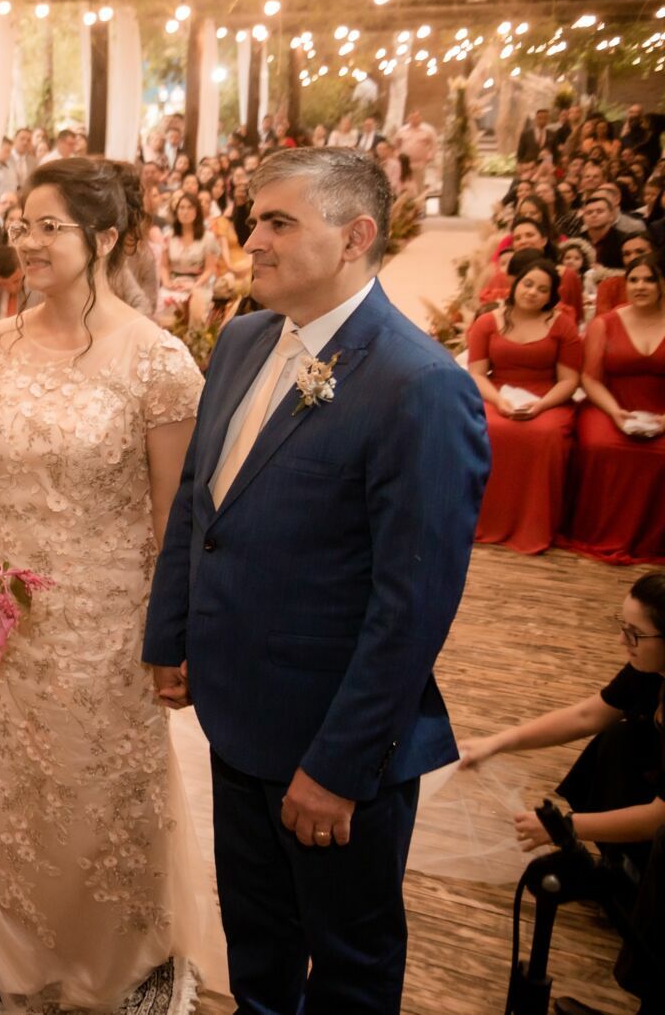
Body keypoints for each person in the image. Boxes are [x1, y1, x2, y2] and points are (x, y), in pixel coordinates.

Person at [143, 147, 489, 1014]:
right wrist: (172, 636)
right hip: (236, 716)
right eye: (255, 218)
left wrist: (338, 768)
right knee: (258, 948)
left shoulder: (421, 387)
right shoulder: (242, 339)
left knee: (348, 966)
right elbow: (199, 501)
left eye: (277, 222)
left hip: (332, 744)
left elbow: (412, 607)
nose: (248, 238)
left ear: (354, 237)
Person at [0, 157, 223, 1009]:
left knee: (99, 800)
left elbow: (178, 524)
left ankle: (119, 963)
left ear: (103, 238)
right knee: (7, 794)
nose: (27, 241)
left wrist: (177, 638)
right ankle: (15, 961)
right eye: (21, 224)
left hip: (105, 628)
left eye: (47, 226)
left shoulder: (158, 362)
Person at [458, 571, 665, 1015]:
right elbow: (588, 714)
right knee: (618, 738)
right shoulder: (649, 672)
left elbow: (659, 818)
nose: (622, 641)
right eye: (620, 626)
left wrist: (566, 827)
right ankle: (625, 874)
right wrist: (497, 741)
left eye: (635, 633)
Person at [467, 256, 584, 555]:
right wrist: (498, 401)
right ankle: (481, 520)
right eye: (528, 284)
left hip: (548, 397)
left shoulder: (562, 325)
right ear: (516, 284)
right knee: (488, 428)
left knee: (545, 435)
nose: (533, 292)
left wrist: (542, 405)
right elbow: (477, 374)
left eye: (542, 289)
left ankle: (533, 525)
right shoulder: (488, 322)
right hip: (496, 393)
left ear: (552, 295)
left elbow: (570, 380)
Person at [561, 254, 665, 564]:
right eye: (634, 280)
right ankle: (592, 532)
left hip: (660, 409)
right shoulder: (604, 324)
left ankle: (651, 541)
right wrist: (616, 412)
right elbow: (590, 379)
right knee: (598, 446)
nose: (640, 286)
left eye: (649, 279)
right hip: (608, 405)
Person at [159, 193, 218, 318]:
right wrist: (167, 282)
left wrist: (194, 285)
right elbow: (164, 266)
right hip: (174, 283)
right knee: (164, 306)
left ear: (197, 211)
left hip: (197, 283)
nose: (185, 212)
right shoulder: (168, 236)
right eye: (181, 207)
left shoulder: (208, 238)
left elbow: (209, 270)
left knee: (194, 306)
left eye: (190, 207)